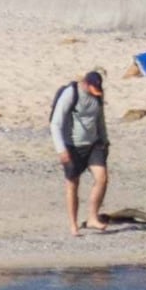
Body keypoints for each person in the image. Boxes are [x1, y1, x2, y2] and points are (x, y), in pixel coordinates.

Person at [51, 70, 109, 236]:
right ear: (86, 84)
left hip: (94, 144)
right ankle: (73, 225)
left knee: (102, 178)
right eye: (93, 89)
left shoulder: (98, 95)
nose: (96, 92)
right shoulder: (71, 94)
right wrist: (61, 149)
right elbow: (55, 123)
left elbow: (100, 118)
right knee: (73, 184)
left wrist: (104, 140)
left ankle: (92, 217)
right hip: (72, 146)